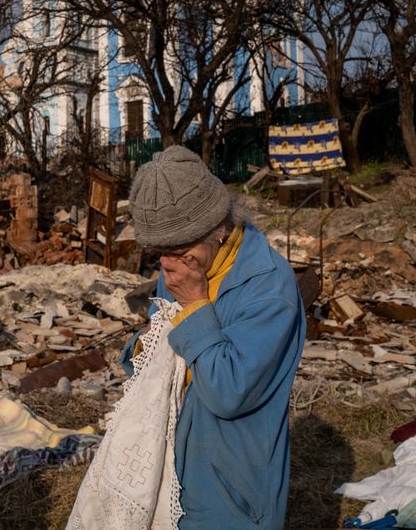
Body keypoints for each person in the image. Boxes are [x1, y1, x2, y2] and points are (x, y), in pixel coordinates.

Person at [122, 146, 305, 528]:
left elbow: (229, 393)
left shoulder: (269, 289)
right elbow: (161, 348)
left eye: (177, 250)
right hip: (171, 466)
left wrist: (194, 306)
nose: (168, 265)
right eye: (160, 253)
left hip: (232, 490)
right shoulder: (184, 263)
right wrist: (142, 350)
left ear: (218, 228)